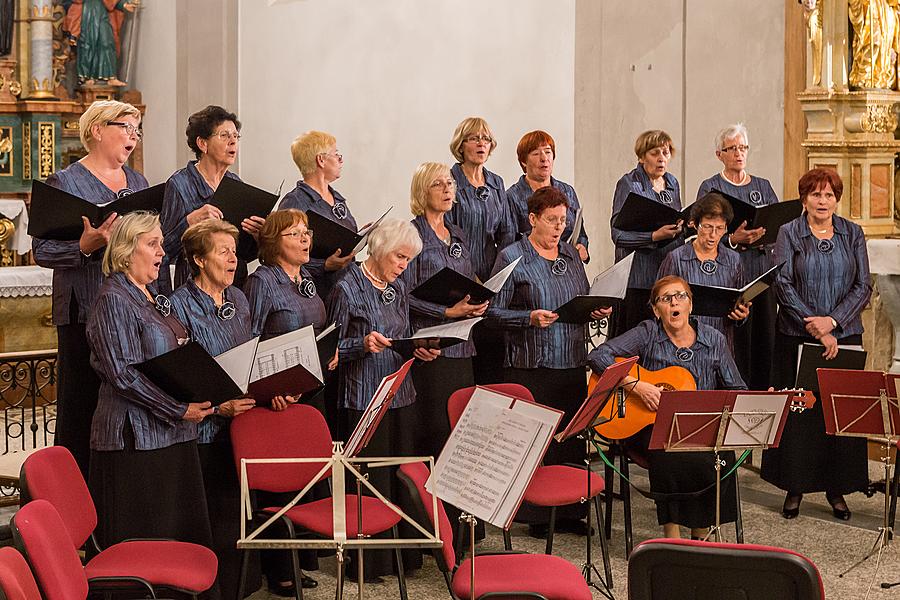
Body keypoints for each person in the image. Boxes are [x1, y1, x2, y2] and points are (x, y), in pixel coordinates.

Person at [171, 219, 311, 597]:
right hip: (204, 430)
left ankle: (244, 584)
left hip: (244, 425)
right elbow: (180, 377)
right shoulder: (179, 305)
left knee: (241, 514)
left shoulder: (239, 298)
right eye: (223, 252)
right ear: (199, 260)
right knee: (217, 516)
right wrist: (219, 408)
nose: (234, 259)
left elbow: (251, 356)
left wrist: (275, 389)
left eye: (235, 252)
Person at [32, 99, 147, 478]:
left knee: (129, 400)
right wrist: (86, 246)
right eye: (126, 127)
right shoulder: (65, 182)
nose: (133, 136)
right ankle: (74, 498)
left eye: (137, 129)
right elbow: (42, 250)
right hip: (85, 310)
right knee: (82, 405)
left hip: (134, 310)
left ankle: (119, 489)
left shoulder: (140, 184)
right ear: (97, 130)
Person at [86, 211, 214, 552]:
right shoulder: (113, 299)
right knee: (145, 543)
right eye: (153, 244)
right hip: (135, 439)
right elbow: (122, 375)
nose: (162, 253)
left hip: (171, 434)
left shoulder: (151, 295)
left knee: (176, 540)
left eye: (161, 243)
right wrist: (178, 408)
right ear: (127, 250)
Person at [486, 186, 610, 536]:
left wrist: (594, 309)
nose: (559, 227)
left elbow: (581, 299)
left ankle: (570, 512)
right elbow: (490, 311)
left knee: (568, 439)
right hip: (531, 364)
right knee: (535, 443)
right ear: (532, 219)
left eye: (563, 220)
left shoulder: (570, 255)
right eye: (552, 220)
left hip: (570, 358)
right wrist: (527, 318)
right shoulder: (512, 255)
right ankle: (536, 516)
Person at [588, 275, 745, 539]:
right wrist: (635, 386)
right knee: (668, 448)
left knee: (720, 454)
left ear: (690, 305)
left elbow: (737, 388)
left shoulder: (714, 339)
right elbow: (597, 356)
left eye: (681, 296)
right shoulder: (648, 332)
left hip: (697, 424)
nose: (675, 302)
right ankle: (671, 533)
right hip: (649, 426)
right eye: (666, 298)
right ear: (656, 309)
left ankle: (701, 532)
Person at [327, 218, 439, 578]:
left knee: (401, 476)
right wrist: (361, 345)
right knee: (369, 479)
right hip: (362, 395)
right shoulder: (347, 288)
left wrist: (418, 349)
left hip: (399, 391)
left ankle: (403, 556)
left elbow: (403, 334)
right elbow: (329, 350)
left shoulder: (399, 286)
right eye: (400, 258)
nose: (404, 266)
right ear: (379, 250)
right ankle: (368, 561)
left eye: (408, 259)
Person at [761, 168, 872, 521]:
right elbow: (783, 284)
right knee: (801, 413)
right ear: (804, 198)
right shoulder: (789, 232)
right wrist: (816, 328)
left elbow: (864, 285)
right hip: (797, 335)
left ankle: (837, 488)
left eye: (829, 195)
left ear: (836, 199)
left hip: (845, 333)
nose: (822, 201)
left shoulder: (853, 233)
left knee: (837, 413)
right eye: (815, 194)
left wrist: (834, 322)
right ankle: (795, 486)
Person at [400, 162, 488, 460]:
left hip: (462, 345)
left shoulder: (458, 233)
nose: (448, 188)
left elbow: (468, 279)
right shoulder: (411, 234)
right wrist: (445, 312)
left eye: (450, 183)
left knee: (462, 429)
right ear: (423, 191)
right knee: (436, 428)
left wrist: (477, 302)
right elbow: (402, 295)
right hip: (432, 346)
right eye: (439, 184)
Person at [697, 124, 779, 390]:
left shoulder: (762, 186)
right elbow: (702, 230)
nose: (738, 153)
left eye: (743, 147)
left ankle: (763, 397)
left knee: (763, 340)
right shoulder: (711, 187)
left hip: (761, 270)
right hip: (727, 274)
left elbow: (777, 224)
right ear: (719, 154)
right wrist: (733, 240)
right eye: (732, 149)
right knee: (737, 338)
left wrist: (764, 234)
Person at [160, 105, 264, 293]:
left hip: (234, 286)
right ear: (202, 143)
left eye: (236, 136)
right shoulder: (179, 184)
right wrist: (189, 222)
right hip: (194, 289)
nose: (233, 142)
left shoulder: (235, 182)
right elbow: (163, 250)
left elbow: (243, 253)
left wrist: (257, 237)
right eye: (224, 136)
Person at [446, 117, 516, 384]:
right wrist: (471, 277)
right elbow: (449, 232)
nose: (481, 143)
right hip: (460, 277)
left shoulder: (496, 182)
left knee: (492, 361)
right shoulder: (450, 180)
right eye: (474, 138)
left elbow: (507, 232)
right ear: (461, 145)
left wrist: (500, 274)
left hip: (492, 276)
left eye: (486, 139)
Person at [610, 130, 683, 337]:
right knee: (636, 337)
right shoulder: (629, 183)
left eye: (666, 153)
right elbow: (618, 235)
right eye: (655, 153)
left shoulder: (672, 183)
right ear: (642, 157)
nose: (662, 158)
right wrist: (653, 237)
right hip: (637, 278)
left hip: (665, 273)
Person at [658, 192, 749, 349]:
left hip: (721, 346)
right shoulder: (676, 258)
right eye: (707, 227)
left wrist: (742, 315)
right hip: (682, 346)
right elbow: (657, 304)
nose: (713, 235)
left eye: (720, 228)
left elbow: (741, 301)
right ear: (695, 224)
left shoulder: (733, 260)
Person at [278, 131, 357, 301]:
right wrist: (324, 265)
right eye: (336, 155)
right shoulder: (295, 202)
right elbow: (281, 254)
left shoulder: (336, 197)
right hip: (317, 294)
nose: (341, 160)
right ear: (321, 160)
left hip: (347, 290)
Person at [506, 130, 589, 262]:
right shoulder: (512, 196)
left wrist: (582, 246)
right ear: (523, 162)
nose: (544, 158)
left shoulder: (567, 191)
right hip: (533, 268)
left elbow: (580, 233)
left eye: (548, 151)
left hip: (568, 264)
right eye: (536, 153)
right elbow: (509, 243)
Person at [62, 0, 137, 86]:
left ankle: (110, 77)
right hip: (86, 11)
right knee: (88, 44)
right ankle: (87, 77)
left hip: (103, 11)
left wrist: (124, 5)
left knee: (107, 42)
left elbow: (112, 2)